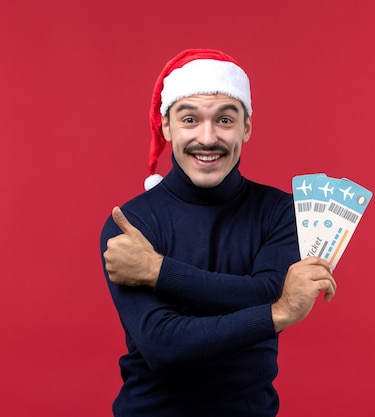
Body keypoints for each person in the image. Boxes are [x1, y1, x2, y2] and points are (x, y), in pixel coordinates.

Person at [99, 48, 337, 417]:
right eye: (190, 119)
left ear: (247, 126)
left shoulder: (281, 213)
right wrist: (276, 315)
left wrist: (157, 272)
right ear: (166, 126)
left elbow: (267, 290)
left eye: (225, 120)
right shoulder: (131, 225)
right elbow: (164, 346)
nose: (207, 139)